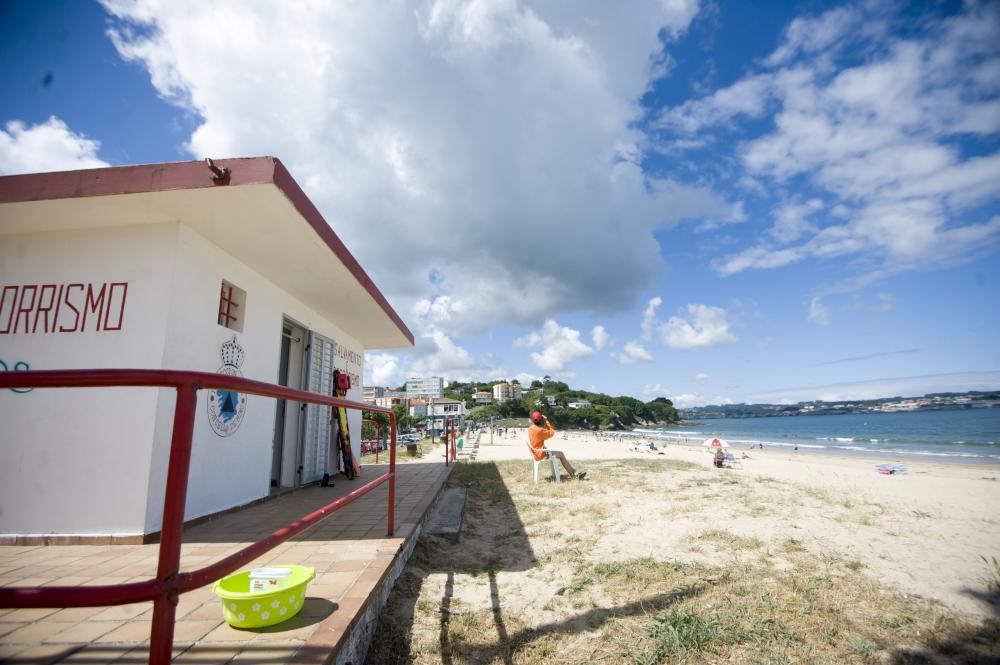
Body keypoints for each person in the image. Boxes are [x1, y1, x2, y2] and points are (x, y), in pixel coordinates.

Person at [528, 411, 586, 480]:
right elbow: (552, 432)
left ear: (532, 419)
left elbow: (541, 431)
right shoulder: (540, 430)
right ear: (541, 419)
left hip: (535, 453)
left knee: (559, 453)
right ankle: (573, 474)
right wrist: (546, 421)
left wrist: (542, 422)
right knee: (561, 454)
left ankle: (574, 472)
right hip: (540, 454)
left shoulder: (531, 428)